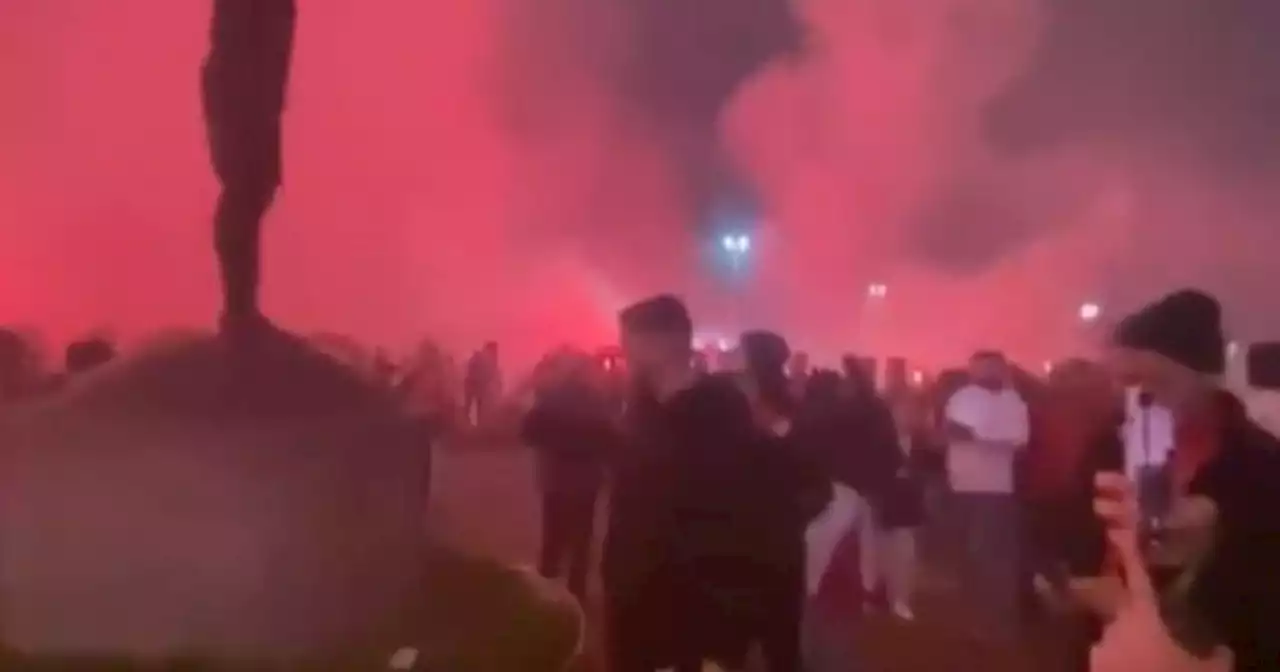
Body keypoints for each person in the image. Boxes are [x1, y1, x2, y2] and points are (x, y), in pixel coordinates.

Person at [1100, 289, 1280, 671]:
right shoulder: (1107, 448)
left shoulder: (1259, 464)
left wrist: (1211, 548)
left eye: (1147, 380)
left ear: (1205, 377)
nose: (1133, 398)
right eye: (1120, 382)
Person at [601, 295, 770, 672]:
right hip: (636, 609)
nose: (625, 355)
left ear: (659, 345)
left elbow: (736, 531)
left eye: (629, 343)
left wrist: (720, 640)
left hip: (690, 621)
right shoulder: (644, 412)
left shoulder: (718, 417)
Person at [734, 331, 833, 672]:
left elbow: (819, 485)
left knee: (781, 646)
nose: (732, 358)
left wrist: (787, 521)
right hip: (726, 548)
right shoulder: (725, 409)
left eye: (740, 353)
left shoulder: (794, 411)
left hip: (777, 552)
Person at [202, 0, 296, 337]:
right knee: (244, 191)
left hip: (257, 97)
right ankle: (238, 308)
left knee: (257, 189)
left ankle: (242, 306)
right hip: (240, 92)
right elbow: (233, 35)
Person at [943, 350, 1030, 641]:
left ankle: (996, 621)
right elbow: (952, 432)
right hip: (962, 485)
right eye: (979, 368)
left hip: (995, 488)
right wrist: (987, 436)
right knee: (968, 555)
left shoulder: (1013, 400)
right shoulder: (962, 398)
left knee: (988, 555)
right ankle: (973, 619)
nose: (985, 373)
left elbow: (1019, 439)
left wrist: (977, 435)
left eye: (991, 368)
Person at [522, 352, 614, 600]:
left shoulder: (550, 398)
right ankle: (576, 594)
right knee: (582, 541)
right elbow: (609, 440)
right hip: (586, 481)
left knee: (552, 539)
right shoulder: (597, 401)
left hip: (555, 479)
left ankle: (546, 594)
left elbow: (528, 432)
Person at [862, 393, 932, 621]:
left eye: (912, 410)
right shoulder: (878, 439)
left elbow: (930, 471)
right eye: (903, 410)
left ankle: (900, 599)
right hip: (882, 499)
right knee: (875, 551)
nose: (908, 415)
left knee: (903, 552)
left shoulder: (921, 442)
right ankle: (872, 597)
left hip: (906, 503)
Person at [463, 342, 501, 428]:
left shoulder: (483, 359)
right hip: (473, 384)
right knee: (473, 407)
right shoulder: (482, 359)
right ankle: (470, 425)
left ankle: (476, 425)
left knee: (477, 407)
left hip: (476, 385)